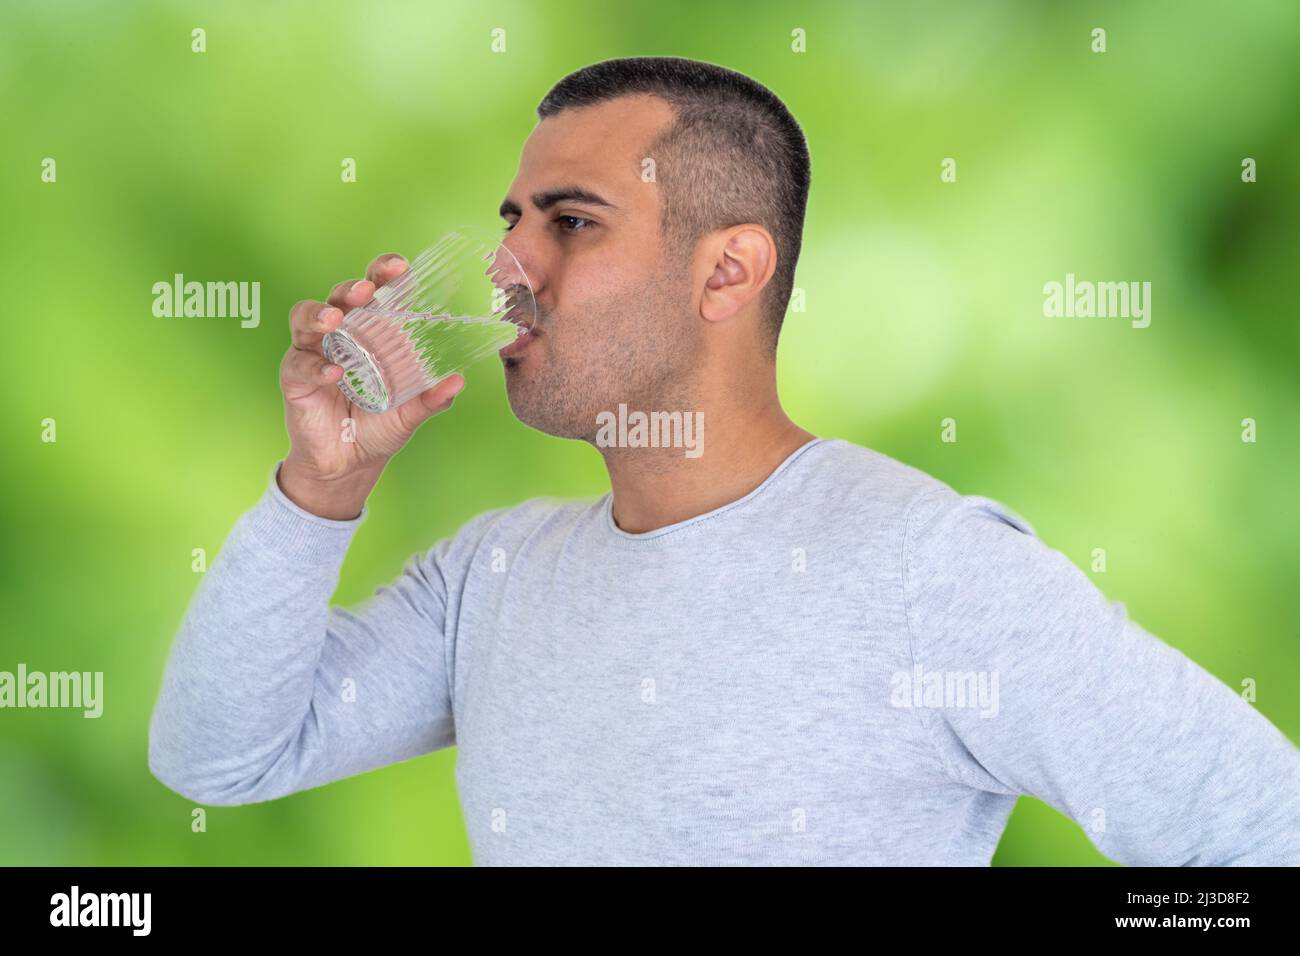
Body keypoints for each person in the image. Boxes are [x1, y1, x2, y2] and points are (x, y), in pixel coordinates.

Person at [148, 56, 1300, 865]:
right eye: (508, 222)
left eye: (571, 221)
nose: (506, 268)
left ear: (728, 272)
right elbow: (220, 753)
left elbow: (1262, 828)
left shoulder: (928, 569)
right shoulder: (490, 576)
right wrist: (321, 487)